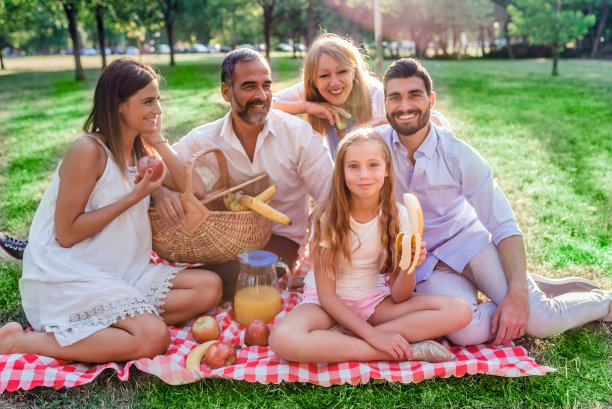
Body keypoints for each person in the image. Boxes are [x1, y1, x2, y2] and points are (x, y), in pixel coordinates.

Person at [375, 58, 611, 347]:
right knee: (464, 333)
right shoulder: (374, 149)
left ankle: (605, 303)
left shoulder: (459, 155)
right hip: (427, 263)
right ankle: (520, 282)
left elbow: (504, 226)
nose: (405, 105)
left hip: (470, 242)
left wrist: (517, 297)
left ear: (431, 100)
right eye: (395, 97)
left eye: (415, 95)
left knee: (539, 321)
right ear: (384, 104)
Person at [0, 59, 222, 363]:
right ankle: (19, 343)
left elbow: (196, 186)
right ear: (119, 105)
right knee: (153, 338)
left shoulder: (140, 151)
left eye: (158, 100)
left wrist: (156, 140)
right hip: (72, 271)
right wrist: (136, 196)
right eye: (147, 101)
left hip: (125, 269)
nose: (157, 109)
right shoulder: (88, 151)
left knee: (210, 287)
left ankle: (118, 316)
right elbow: (66, 235)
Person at [269, 128, 472, 363]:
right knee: (282, 339)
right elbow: (328, 297)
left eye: (373, 165)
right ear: (342, 173)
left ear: (386, 169)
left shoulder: (399, 215)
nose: (364, 174)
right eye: (353, 166)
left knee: (460, 309)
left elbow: (399, 295)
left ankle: (338, 342)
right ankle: (398, 350)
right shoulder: (328, 218)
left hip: (373, 300)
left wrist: (409, 265)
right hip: (325, 305)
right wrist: (374, 337)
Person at [152, 48, 333, 297]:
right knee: (205, 275)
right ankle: (156, 289)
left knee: (226, 278)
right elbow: (159, 167)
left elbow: (332, 201)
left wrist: (322, 271)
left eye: (266, 86)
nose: (262, 96)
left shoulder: (299, 135)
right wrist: (160, 191)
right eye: (249, 87)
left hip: (281, 241)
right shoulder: (207, 137)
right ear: (227, 92)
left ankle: (157, 291)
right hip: (227, 239)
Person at [272, 33, 451, 160]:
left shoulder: (376, 96)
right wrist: (307, 107)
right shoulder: (313, 91)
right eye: (324, 75)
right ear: (313, 79)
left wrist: (372, 128)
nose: (334, 82)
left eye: (342, 71)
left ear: (354, 72)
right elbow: (265, 104)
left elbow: (438, 123)